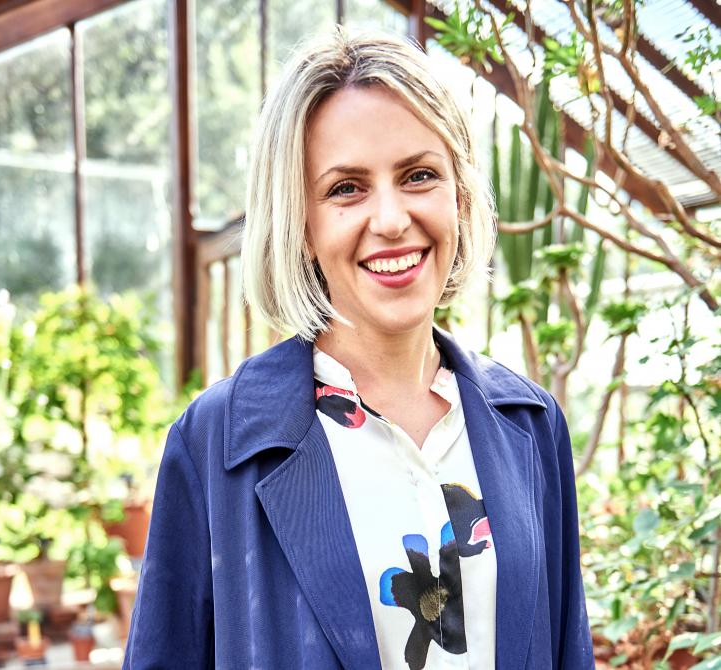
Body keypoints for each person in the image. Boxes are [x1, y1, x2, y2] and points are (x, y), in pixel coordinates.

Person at [123, 28, 594, 670]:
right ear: (302, 224)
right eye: (346, 188)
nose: (392, 219)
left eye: (419, 175)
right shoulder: (218, 445)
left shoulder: (531, 426)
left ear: (458, 193)